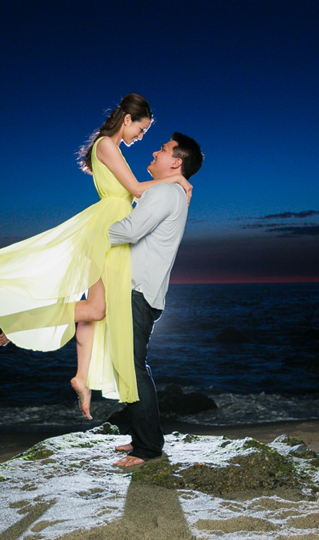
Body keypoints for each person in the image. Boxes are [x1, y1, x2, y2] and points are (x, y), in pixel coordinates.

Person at [0, 94, 191, 416]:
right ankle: (23, 322)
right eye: (142, 129)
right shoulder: (107, 144)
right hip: (107, 230)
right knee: (97, 307)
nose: (142, 137)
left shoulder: (113, 148)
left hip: (113, 226)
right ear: (127, 120)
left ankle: (81, 377)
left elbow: (132, 195)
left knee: (95, 310)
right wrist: (176, 178)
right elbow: (135, 190)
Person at [106, 132, 204, 467]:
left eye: (161, 150)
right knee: (128, 366)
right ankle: (141, 437)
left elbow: (131, 231)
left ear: (176, 161)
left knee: (132, 368)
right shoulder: (171, 191)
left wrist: (89, 234)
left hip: (137, 290)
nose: (153, 151)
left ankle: (147, 448)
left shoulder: (165, 192)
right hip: (140, 290)